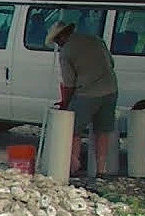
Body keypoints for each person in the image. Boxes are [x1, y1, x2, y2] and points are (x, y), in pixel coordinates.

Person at [46, 21, 119, 177]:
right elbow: (111, 63)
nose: (57, 44)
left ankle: (74, 164)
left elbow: (69, 84)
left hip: (87, 93)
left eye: (57, 41)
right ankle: (101, 170)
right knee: (102, 131)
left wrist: (65, 105)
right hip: (110, 89)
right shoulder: (96, 40)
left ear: (62, 36)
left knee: (73, 130)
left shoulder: (66, 52)